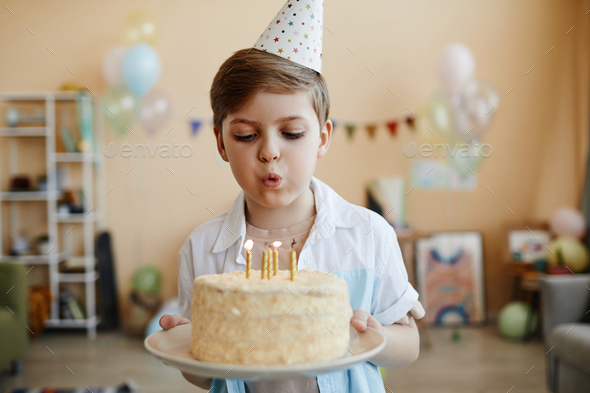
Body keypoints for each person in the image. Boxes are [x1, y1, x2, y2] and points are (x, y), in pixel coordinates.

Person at [159, 1, 425, 392]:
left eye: (292, 133)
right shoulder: (202, 250)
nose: (269, 152)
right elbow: (202, 372)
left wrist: (372, 337)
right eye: (247, 135)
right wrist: (185, 344)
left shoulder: (368, 235)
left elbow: (410, 344)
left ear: (322, 137)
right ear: (220, 142)